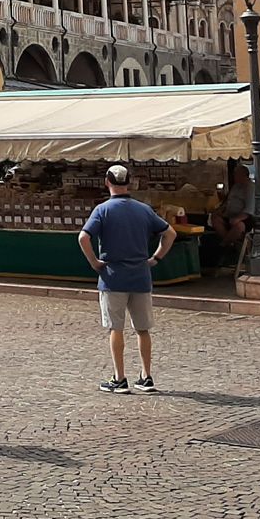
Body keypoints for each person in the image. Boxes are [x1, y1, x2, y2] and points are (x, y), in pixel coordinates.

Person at [79, 164, 177, 394]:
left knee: (116, 328)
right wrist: (156, 258)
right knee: (143, 329)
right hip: (141, 275)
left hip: (113, 276)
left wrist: (94, 262)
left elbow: (83, 237)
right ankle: (146, 376)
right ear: (129, 183)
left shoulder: (102, 210)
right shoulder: (143, 210)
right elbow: (170, 233)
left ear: (106, 182)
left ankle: (119, 378)